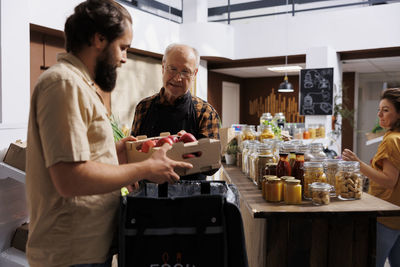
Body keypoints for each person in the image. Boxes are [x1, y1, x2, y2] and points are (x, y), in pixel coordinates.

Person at [25, 1, 192, 267]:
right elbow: (70, 179)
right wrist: (145, 169)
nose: (124, 58)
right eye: (123, 47)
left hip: (86, 249)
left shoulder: (80, 84)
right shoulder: (65, 83)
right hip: (72, 253)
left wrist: (118, 151)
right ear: (99, 39)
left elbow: (81, 157)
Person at [131, 43, 220, 179]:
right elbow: (135, 153)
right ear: (163, 67)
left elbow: (212, 166)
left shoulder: (205, 112)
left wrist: (191, 145)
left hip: (190, 195)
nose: (177, 78)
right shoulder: (143, 107)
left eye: (185, 71)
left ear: (194, 73)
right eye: (172, 69)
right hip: (150, 193)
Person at [342, 88, 400, 267]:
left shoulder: (391, 140)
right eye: (379, 109)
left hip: (385, 216)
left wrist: (357, 163)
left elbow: (390, 180)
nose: (380, 115)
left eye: (386, 110)